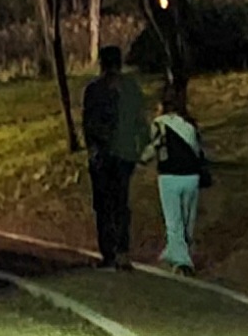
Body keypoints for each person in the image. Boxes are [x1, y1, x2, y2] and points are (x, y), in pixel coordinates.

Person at [78, 37, 151, 266]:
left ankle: (108, 251)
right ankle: (122, 249)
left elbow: (88, 123)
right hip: (125, 152)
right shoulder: (131, 88)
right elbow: (140, 120)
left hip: (103, 154)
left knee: (103, 204)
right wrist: (141, 146)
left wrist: (93, 148)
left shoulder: (94, 90)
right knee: (120, 201)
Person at [152, 85, 209, 272]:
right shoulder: (190, 124)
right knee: (187, 220)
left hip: (169, 177)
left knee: (173, 221)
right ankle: (174, 251)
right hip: (192, 177)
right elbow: (199, 151)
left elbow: (153, 148)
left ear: (162, 105)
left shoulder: (159, 123)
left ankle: (182, 261)